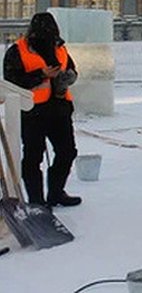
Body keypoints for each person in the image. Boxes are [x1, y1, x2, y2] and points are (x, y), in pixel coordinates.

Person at [3, 12, 80, 207]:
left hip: (60, 110)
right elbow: (11, 81)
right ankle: (36, 201)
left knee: (67, 152)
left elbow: (72, 69)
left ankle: (56, 192)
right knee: (33, 158)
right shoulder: (18, 51)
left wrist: (67, 78)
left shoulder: (60, 48)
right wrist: (41, 74)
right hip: (33, 112)